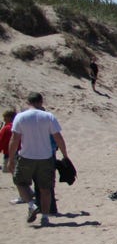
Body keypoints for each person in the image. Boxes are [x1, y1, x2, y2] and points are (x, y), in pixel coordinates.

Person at [7, 93, 69, 226]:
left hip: (26, 156)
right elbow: (58, 137)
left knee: (20, 181)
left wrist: (11, 158)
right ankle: (45, 217)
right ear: (41, 102)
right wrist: (65, 155)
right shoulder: (48, 116)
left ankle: (31, 204)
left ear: (28, 102)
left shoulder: (20, 117)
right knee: (46, 188)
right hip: (46, 157)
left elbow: (14, 139)